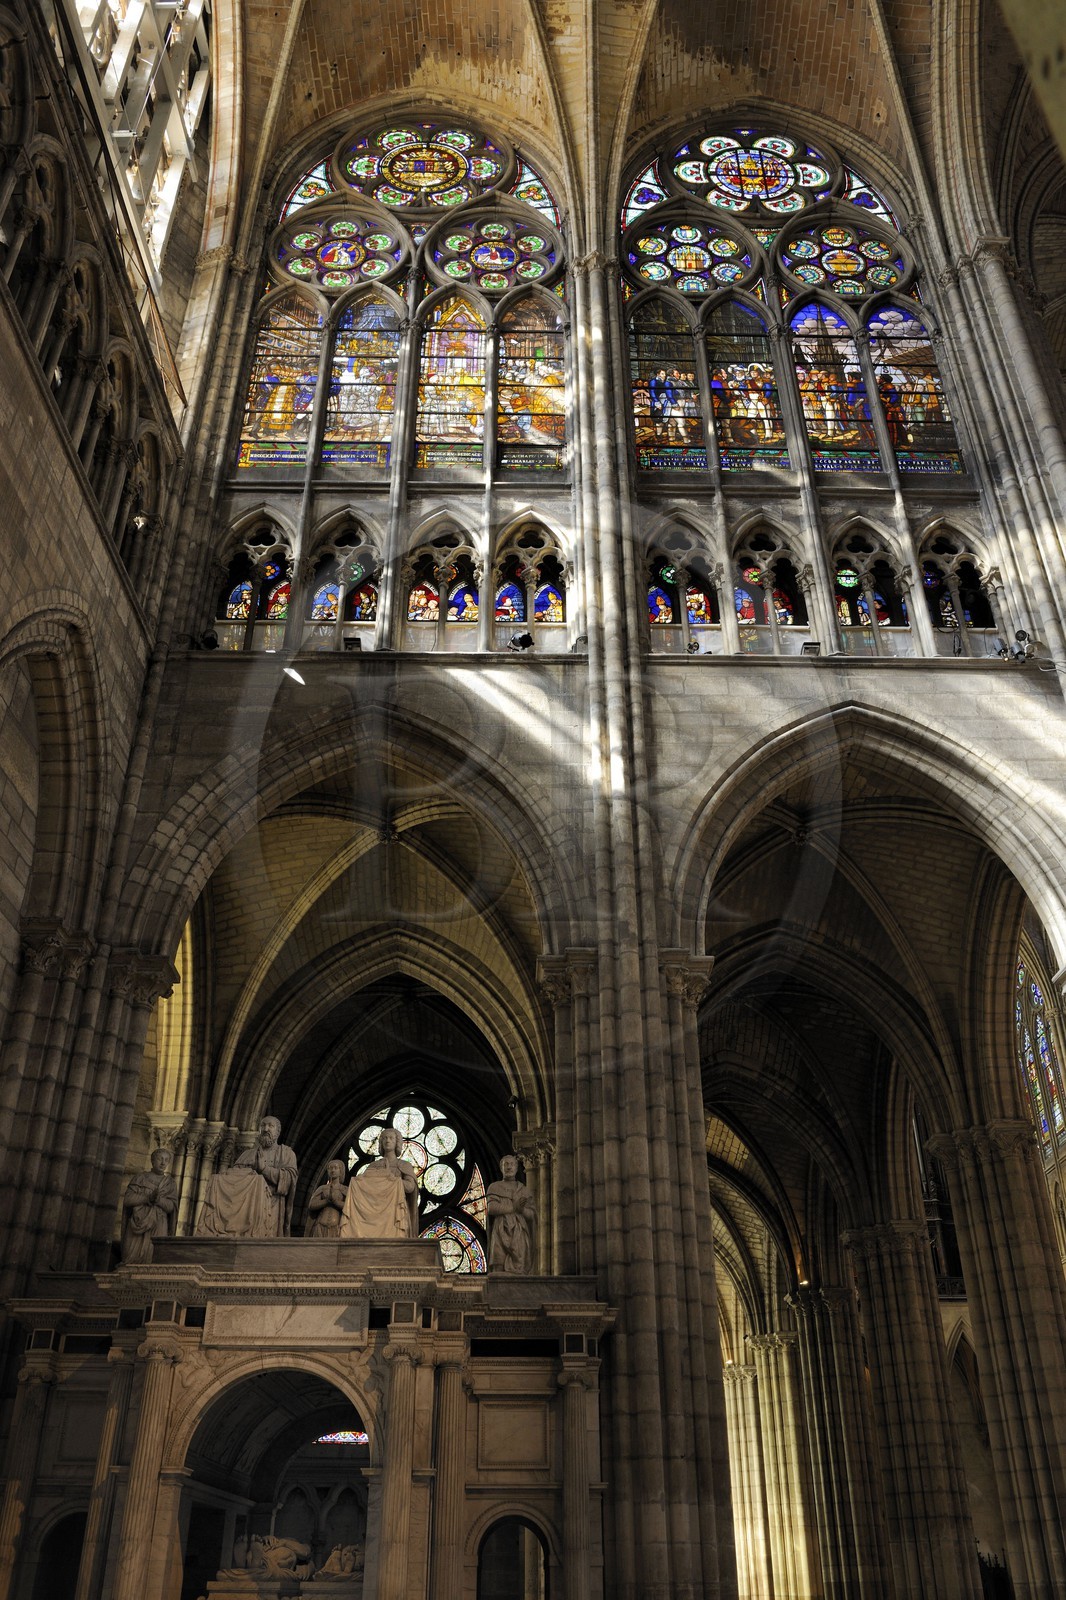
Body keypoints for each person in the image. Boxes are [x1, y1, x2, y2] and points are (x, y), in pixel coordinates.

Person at [197, 1116, 299, 1238]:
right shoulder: (248, 1154)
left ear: (278, 1131)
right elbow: (234, 1181)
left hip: (273, 1208)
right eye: (263, 1125)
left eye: (270, 1126)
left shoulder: (287, 1153)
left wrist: (264, 1169)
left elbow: (288, 1181)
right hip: (246, 1212)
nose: (266, 1129)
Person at [340, 1126, 419, 1240]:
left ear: (397, 1142)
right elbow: (365, 1187)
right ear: (381, 1142)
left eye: (391, 1138)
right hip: (374, 1214)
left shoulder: (404, 1165)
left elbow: (410, 1187)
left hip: (395, 1212)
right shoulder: (374, 1166)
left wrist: (392, 1178)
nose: (387, 1140)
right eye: (384, 1138)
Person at [120, 1148, 177, 1263]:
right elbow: (128, 1199)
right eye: (160, 1159)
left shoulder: (170, 1183)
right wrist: (147, 1198)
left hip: (159, 1223)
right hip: (138, 1220)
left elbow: (171, 1207)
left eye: (166, 1160)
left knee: (153, 1258)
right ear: (152, 1160)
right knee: (131, 1259)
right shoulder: (140, 1178)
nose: (163, 1163)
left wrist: (158, 1200)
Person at [487, 1153, 536, 1274]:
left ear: (516, 1167)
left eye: (512, 1164)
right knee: (498, 1264)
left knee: (520, 1268)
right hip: (500, 1229)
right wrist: (514, 1207)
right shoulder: (494, 1187)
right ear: (501, 1167)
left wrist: (522, 1210)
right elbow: (492, 1208)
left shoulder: (524, 1190)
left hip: (519, 1231)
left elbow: (531, 1215)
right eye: (506, 1164)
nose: (509, 1167)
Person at [307, 1160, 349, 1238]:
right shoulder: (322, 1188)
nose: (333, 1170)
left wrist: (335, 1201)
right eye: (330, 1168)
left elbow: (350, 1207)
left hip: (337, 1227)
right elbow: (311, 1205)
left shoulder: (345, 1189)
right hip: (320, 1225)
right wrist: (326, 1201)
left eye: (335, 1168)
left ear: (341, 1171)